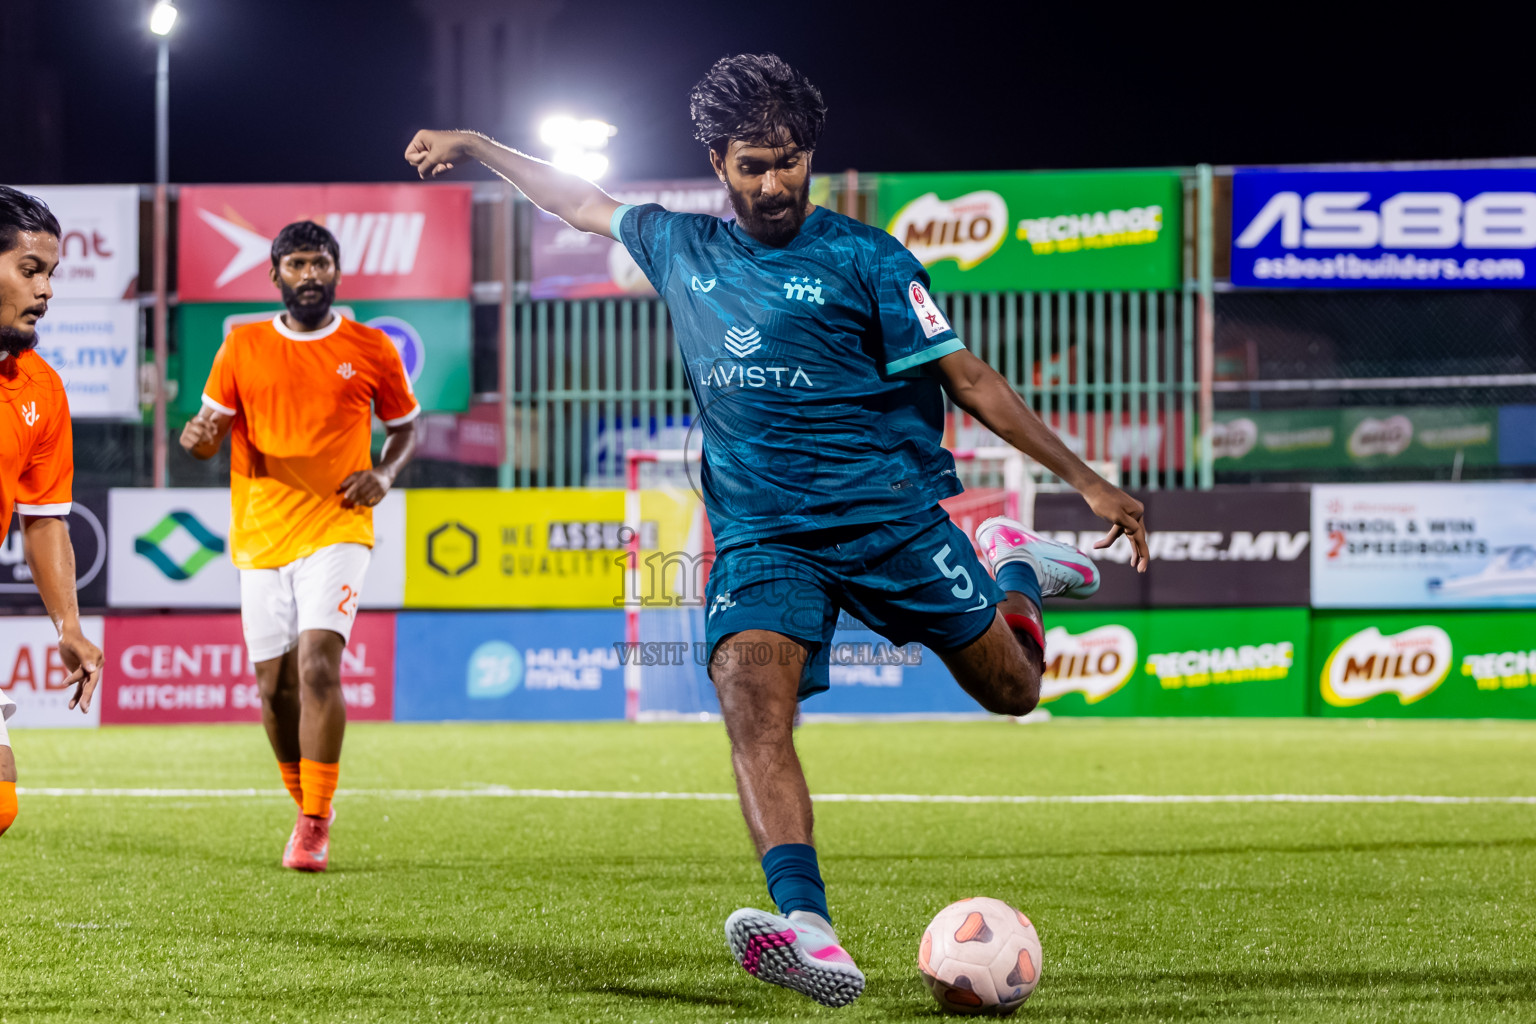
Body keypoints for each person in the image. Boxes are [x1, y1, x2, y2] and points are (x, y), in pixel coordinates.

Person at [405, 53, 1148, 1007]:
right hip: (764, 541)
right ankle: (810, 928)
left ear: (812, 157)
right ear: (717, 160)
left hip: (889, 522)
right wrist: (475, 144)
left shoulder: (867, 259)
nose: (772, 184)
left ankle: (1012, 567)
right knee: (750, 704)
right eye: (753, 164)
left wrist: (1085, 479)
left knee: (1015, 690)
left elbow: (969, 380)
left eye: (789, 161)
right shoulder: (680, 246)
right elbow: (577, 200)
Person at [179, 221, 419, 872]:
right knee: (274, 689)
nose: (309, 275)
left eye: (320, 263)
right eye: (296, 264)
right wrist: (197, 435)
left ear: (337, 271)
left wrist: (385, 473)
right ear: (275, 275)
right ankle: (304, 801)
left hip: (337, 525)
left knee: (317, 665)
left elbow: (404, 429)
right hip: (260, 533)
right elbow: (206, 440)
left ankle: (314, 821)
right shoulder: (242, 345)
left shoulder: (370, 347)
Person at [0, 185, 105, 838]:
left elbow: (44, 517)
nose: (46, 290)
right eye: (29, 269)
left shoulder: (40, 386)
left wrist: (68, 624)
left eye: (51, 274)